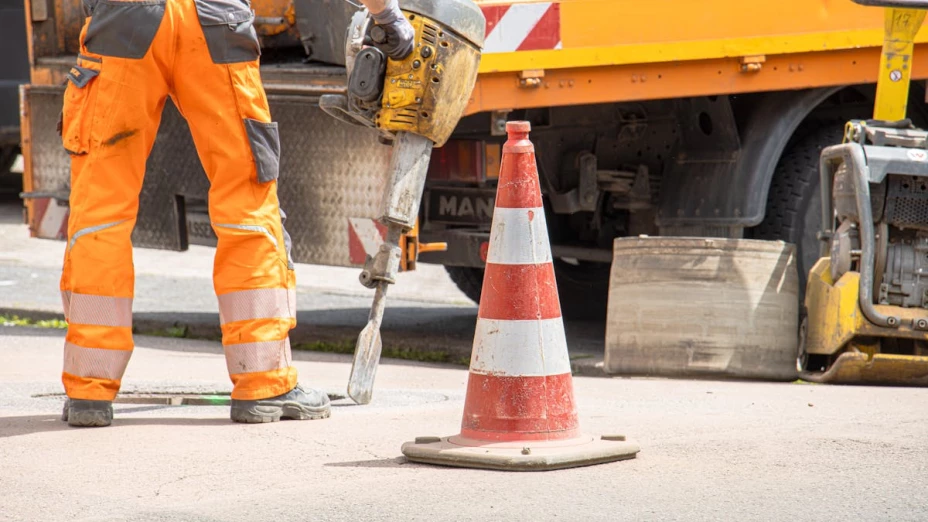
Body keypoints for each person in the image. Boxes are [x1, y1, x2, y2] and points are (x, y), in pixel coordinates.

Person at [58, 0, 414, 427]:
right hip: (215, 22)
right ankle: (263, 384)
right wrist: (386, 15)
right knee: (246, 205)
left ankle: (89, 389)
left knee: (101, 212)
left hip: (123, 22)